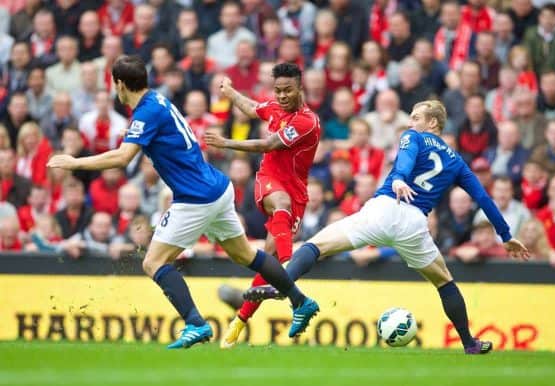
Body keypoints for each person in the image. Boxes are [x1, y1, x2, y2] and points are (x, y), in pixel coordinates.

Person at [47, 55, 318, 349]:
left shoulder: (146, 112)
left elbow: (122, 158)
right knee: (245, 256)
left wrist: (74, 162)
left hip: (195, 198)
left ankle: (195, 323)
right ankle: (300, 301)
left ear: (120, 85)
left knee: (153, 262)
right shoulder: (158, 101)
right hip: (217, 187)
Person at [244, 100, 530, 355]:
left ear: (433, 123)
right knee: (444, 281)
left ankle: (282, 285)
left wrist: (399, 178)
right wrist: (506, 235)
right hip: (415, 224)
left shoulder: (413, 137)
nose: (410, 122)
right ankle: (469, 343)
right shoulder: (457, 162)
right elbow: (483, 197)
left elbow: (404, 161)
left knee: (316, 246)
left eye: (416, 117)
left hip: (386, 207)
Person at [205, 62, 321, 348]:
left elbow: (269, 144)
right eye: (278, 90)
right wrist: (230, 93)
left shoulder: (307, 121)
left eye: (287, 91)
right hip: (269, 180)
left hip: (297, 192)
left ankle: (239, 322)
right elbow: (253, 107)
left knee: (266, 259)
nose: (281, 96)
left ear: (300, 88)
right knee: (279, 207)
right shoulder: (275, 106)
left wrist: (225, 143)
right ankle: (288, 269)